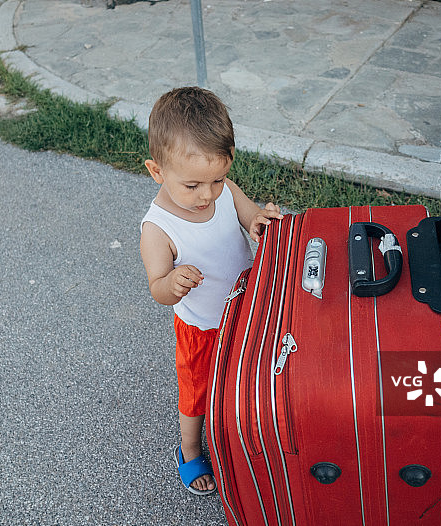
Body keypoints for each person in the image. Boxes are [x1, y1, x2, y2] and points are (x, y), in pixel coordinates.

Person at [139, 87, 283, 495]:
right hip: (201, 328)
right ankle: (189, 451)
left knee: (247, 377)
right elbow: (157, 289)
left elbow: (247, 213)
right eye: (193, 185)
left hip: (245, 313)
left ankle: (244, 436)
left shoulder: (222, 191)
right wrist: (172, 282)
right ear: (157, 171)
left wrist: (258, 221)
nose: (207, 195)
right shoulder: (158, 229)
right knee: (197, 392)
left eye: (217, 179)